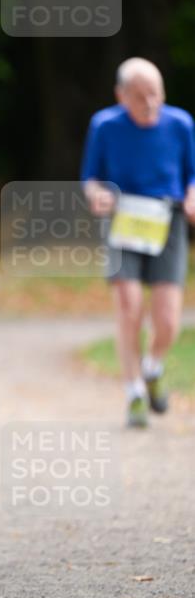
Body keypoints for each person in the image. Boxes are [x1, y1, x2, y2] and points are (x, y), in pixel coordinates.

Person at [81, 57, 195, 428]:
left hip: (168, 222)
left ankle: (153, 366)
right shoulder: (104, 125)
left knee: (166, 318)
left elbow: (192, 174)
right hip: (123, 221)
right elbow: (90, 177)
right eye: (140, 96)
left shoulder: (181, 124)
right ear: (121, 95)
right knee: (129, 307)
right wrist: (96, 195)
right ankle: (133, 392)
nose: (150, 103)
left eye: (156, 94)